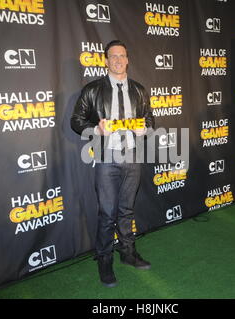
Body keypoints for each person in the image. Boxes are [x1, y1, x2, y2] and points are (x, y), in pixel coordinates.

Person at [71, 40, 155, 287]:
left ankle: (128, 253)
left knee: (127, 210)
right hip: (107, 158)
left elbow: (150, 119)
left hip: (132, 156)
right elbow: (76, 121)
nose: (118, 59)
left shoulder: (139, 90)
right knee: (107, 213)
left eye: (122, 55)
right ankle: (104, 259)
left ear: (128, 59)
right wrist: (96, 128)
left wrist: (145, 129)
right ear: (106, 61)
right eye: (113, 56)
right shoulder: (93, 89)